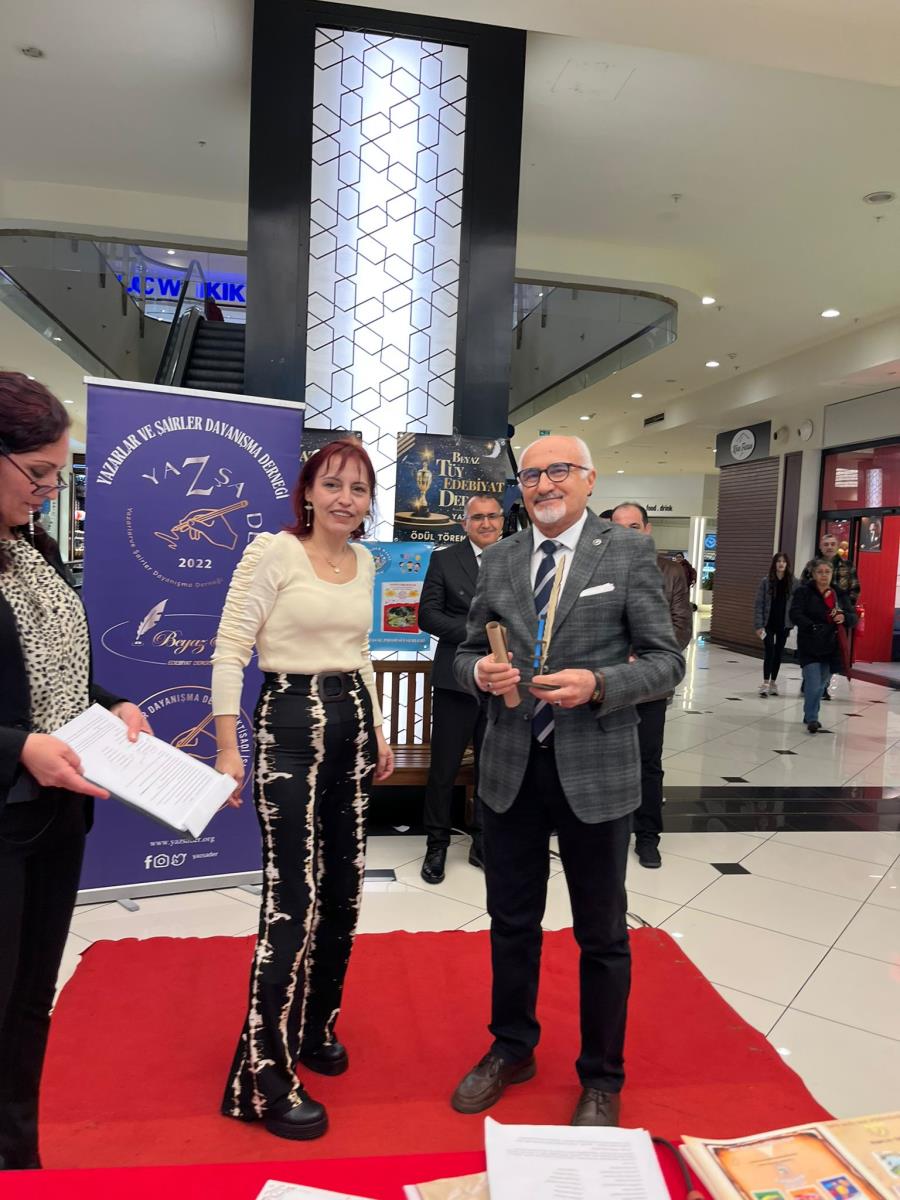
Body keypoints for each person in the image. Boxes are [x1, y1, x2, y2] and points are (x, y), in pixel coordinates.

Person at [451, 436, 684, 1127]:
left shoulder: (629, 552)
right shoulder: (500, 558)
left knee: (602, 933)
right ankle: (512, 1047)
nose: (545, 483)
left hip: (597, 766)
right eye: (532, 474)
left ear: (588, 480)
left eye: (560, 470)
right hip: (511, 767)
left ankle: (602, 1077)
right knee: (511, 921)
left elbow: (667, 661)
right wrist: (477, 672)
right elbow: (464, 651)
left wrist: (601, 684)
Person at [212, 439, 394, 1142]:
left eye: (360, 488)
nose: (347, 498)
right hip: (288, 726)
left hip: (352, 724)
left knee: (344, 889)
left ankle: (316, 1026)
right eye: (334, 484)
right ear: (309, 492)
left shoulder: (365, 562)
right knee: (293, 897)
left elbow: (360, 652)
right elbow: (231, 648)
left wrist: (377, 728)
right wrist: (228, 746)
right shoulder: (274, 553)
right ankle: (262, 1077)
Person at [0, 373, 150, 1171]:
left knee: (31, 999)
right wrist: (18, 746)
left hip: (59, 810)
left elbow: (57, 672)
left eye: (58, 473)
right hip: (8, 807)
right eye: (37, 472)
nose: (50, 489)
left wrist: (112, 703)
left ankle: (17, 1161)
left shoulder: (34, 548)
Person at [418, 493, 503, 883]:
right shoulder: (445, 560)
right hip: (456, 679)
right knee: (444, 767)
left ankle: (482, 842)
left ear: (501, 521)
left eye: (492, 516)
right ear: (464, 523)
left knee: (491, 766)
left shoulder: (518, 558)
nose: (486, 523)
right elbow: (427, 615)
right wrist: (480, 634)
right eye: (477, 517)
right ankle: (436, 844)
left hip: (502, 679)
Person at [611, 503, 692, 869]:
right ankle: (605, 832)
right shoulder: (595, 569)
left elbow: (680, 626)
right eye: (617, 526)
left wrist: (642, 656)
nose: (625, 533)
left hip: (649, 685)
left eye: (633, 526)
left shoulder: (671, 572)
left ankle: (647, 836)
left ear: (646, 529)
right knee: (602, 761)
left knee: (647, 762)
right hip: (606, 683)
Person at [789, 558, 856, 733]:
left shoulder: (839, 594)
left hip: (831, 646)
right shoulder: (803, 592)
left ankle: (809, 713)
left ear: (832, 574)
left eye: (827, 572)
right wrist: (810, 626)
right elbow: (795, 613)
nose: (824, 575)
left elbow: (853, 617)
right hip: (809, 644)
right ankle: (812, 718)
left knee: (821, 684)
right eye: (820, 572)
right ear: (813, 574)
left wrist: (844, 617)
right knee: (812, 682)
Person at [801, 532, 860, 700]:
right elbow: (803, 588)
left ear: (837, 546)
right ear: (821, 547)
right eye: (826, 544)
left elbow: (855, 589)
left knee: (833, 654)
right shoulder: (812, 565)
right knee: (812, 652)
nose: (829, 547)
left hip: (837, 619)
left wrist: (844, 610)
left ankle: (823, 685)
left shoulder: (847, 566)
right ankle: (810, 681)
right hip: (816, 618)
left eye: (832, 544)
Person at [754, 552, 797, 697]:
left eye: (784, 561)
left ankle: (773, 683)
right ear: (774, 564)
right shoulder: (766, 582)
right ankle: (765, 682)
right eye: (778, 561)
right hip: (768, 623)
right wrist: (758, 625)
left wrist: (793, 621)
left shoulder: (793, 582)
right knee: (769, 650)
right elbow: (759, 604)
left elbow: (796, 604)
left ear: (787, 564)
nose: (781, 564)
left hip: (784, 624)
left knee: (779, 652)